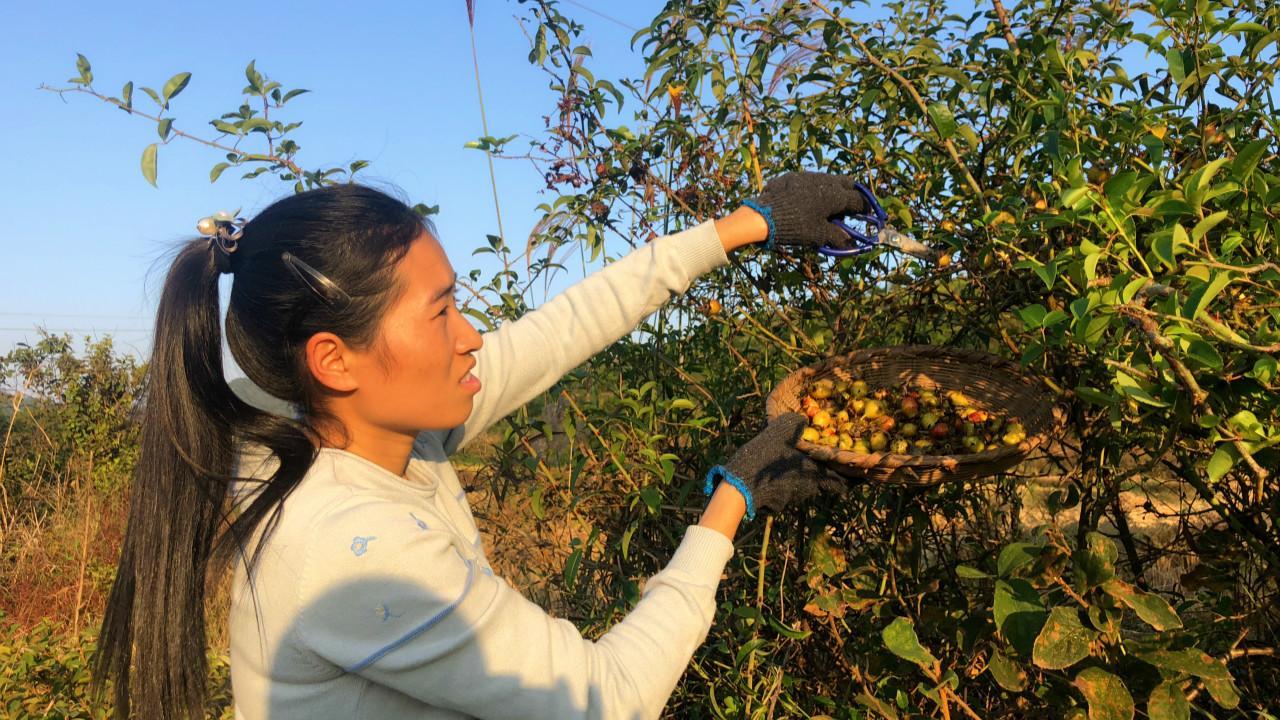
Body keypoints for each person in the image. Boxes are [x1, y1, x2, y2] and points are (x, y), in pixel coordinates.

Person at [92, 172, 866, 720]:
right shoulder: (353, 547)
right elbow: (609, 698)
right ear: (333, 359)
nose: (471, 338)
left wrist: (743, 225)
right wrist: (734, 497)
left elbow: (561, 329)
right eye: (441, 313)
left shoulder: (358, 425)